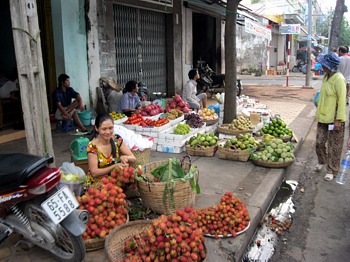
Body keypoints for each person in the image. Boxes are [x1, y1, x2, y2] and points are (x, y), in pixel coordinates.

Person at [314, 53, 347, 181]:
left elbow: (342, 100)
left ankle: (332, 170)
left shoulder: (339, 79)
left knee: (334, 146)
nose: (322, 67)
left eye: (323, 65)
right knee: (319, 143)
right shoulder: (326, 77)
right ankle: (322, 161)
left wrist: (338, 119)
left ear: (330, 66)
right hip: (323, 116)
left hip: (334, 119)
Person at [86, 113, 136, 184]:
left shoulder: (117, 139)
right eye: (104, 129)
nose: (108, 132)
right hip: (97, 184)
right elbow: (94, 172)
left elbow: (133, 158)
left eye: (111, 128)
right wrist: (114, 166)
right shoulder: (92, 146)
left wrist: (126, 157)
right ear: (97, 128)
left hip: (115, 181)